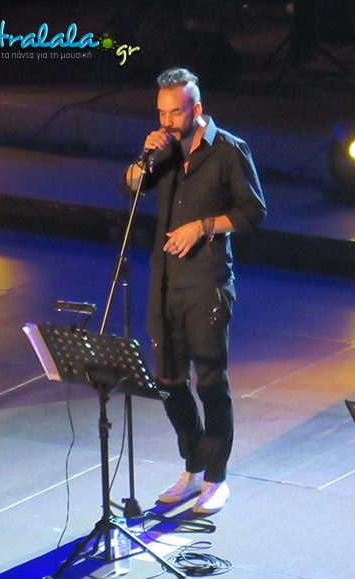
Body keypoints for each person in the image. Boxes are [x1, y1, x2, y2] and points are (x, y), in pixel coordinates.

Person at [122, 67, 266, 514]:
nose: (167, 121)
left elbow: (253, 211)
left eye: (176, 112)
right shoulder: (162, 151)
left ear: (196, 108)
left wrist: (203, 226)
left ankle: (217, 478)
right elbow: (130, 187)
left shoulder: (229, 150)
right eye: (161, 112)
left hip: (207, 283)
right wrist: (143, 159)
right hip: (164, 281)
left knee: (209, 381)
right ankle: (194, 465)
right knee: (167, 380)